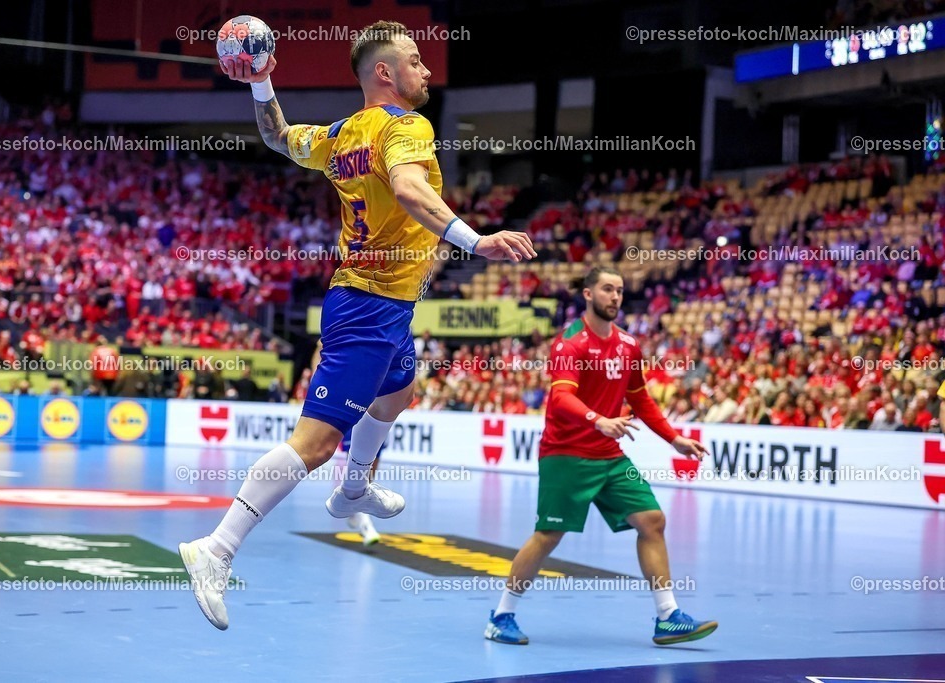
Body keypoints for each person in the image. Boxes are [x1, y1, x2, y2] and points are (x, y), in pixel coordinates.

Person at [179, 21, 536, 631]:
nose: (427, 72)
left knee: (399, 392)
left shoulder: (344, 133)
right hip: (368, 306)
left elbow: (282, 139)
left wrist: (262, 85)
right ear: (385, 73)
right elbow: (407, 188)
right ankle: (215, 549)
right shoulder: (405, 127)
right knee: (314, 443)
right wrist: (478, 241)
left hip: (389, 307)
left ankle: (353, 491)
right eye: (416, 62)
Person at [486, 266, 717, 646]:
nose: (615, 297)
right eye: (608, 289)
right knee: (548, 535)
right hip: (566, 454)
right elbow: (560, 398)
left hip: (609, 455)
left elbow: (641, 399)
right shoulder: (570, 342)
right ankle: (501, 615)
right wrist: (598, 420)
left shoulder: (628, 345)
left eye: (620, 291)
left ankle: (668, 616)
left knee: (652, 520)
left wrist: (673, 438)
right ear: (588, 294)